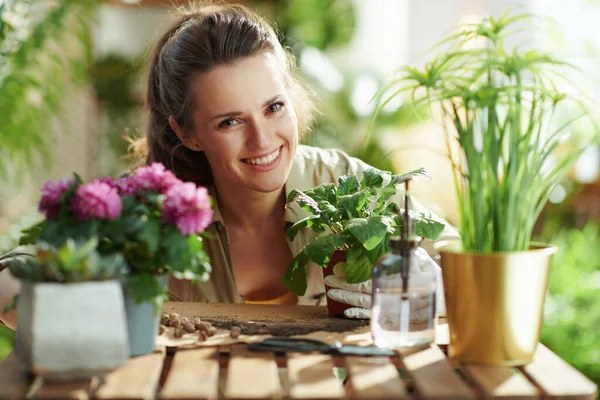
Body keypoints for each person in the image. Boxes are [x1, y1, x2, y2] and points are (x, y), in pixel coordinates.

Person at [0, 3, 457, 328]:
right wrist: (76, 301)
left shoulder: (342, 184)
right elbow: (11, 277)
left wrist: (429, 290)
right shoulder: (150, 208)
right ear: (187, 133)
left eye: (274, 107)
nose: (262, 140)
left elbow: (459, 262)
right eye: (230, 121)